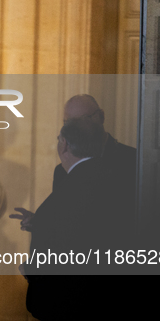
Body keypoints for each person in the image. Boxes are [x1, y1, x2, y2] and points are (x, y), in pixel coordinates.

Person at [23, 118, 126, 321]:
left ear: (64, 144)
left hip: (71, 313)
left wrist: (32, 272)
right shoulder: (120, 182)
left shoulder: (66, 191)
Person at [10, 94, 136, 232]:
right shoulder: (61, 172)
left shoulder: (132, 161)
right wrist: (41, 222)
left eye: (83, 120)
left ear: (101, 116)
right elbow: (64, 221)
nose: (76, 129)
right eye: (68, 123)